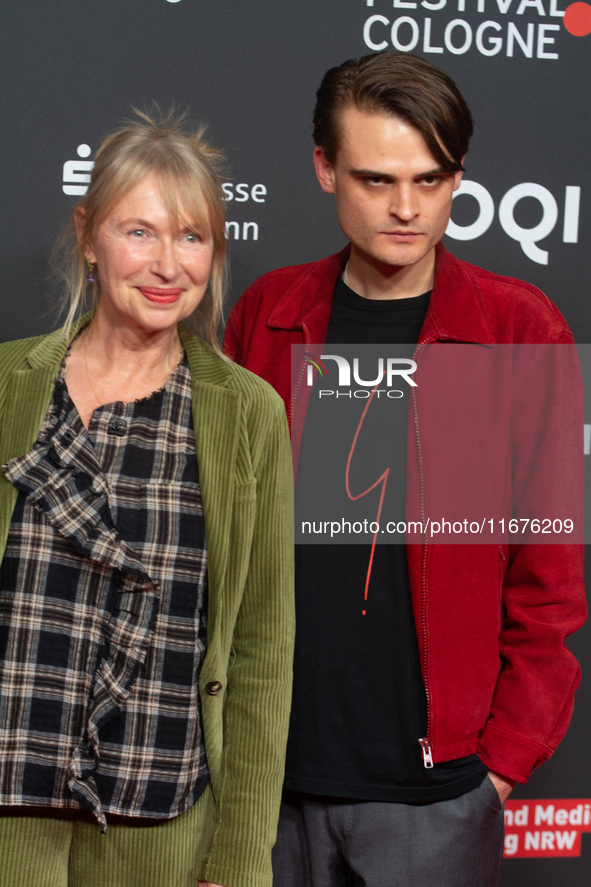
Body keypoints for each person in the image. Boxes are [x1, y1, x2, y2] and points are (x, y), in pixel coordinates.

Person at [224, 52, 586, 886]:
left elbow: (549, 573)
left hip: (437, 794)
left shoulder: (516, 329)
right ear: (324, 169)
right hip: (268, 782)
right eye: (377, 178)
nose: (405, 208)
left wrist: (497, 765)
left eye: (430, 180)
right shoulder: (270, 314)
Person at [0, 110, 294, 887]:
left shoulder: (247, 411)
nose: (168, 264)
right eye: (140, 232)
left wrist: (237, 856)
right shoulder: (6, 385)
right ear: (87, 234)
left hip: (162, 824)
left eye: (192, 237)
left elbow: (262, 649)